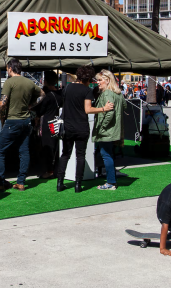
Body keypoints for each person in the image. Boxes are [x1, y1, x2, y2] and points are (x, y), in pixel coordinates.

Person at [0, 58, 41, 192]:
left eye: (6, 69)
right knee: (24, 151)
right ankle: (21, 182)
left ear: (10, 68)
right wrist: (30, 106)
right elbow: (42, 95)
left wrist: (1, 115)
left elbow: (2, 103)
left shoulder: (9, 82)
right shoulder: (29, 82)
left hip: (12, 121)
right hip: (26, 121)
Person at [57, 65, 113, 193]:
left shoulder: (67, 88)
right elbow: (88, 109)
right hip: (81, 127)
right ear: (88, 78)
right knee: (80, 156)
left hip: (67, 127)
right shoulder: (87, 90)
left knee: (65, 154)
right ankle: (78, 184)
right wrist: (103, 109)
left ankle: (60, 183)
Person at [92, 70, 125, 191]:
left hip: (107, 131)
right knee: (108, 155)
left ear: (108, 80)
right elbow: (124, 107)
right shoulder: (118, 93)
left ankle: (111, 182)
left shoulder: (107, 94)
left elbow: (109, 113)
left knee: (106, 155)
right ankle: (111, 179)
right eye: (98, 80)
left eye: (100, 80)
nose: (98, 83)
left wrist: (102, 126)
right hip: (114, 130)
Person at [34, 71, 63, 180]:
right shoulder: (61, 93)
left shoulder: (46, 95)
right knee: (56, 147)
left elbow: (40, 110)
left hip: (48, 123)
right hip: (59, 122)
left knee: (47, 147)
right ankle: (56, 169)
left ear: (46, 81)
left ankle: (49, 170)